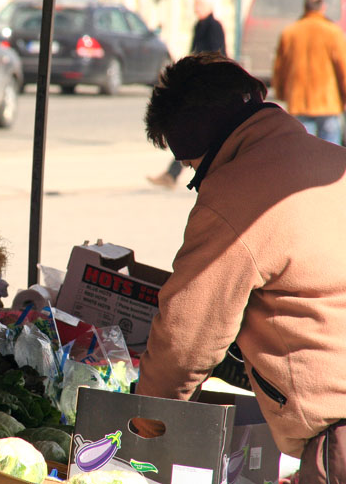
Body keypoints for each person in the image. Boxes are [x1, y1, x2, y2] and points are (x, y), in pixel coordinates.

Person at [134, 52, 346, 483]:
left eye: (193, 169)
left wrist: (144, 433)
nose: (197, 182)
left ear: (202, 143)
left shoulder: (235, 194)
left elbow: (185, 340)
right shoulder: (331, 159)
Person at [147, 0, 226, 189]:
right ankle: (173, 175)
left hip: (210, 88)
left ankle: (177, 175)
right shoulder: (199, 25)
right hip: (199, 85)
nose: (195, 9)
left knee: (198, 133)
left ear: (208, 7)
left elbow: (215, 57)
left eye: (199, 5)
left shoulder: (214, 27)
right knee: (195, 133)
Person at [273, 0, 346, 145]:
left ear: (305, 7)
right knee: (331, 150)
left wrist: (280, 91)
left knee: (304, 147)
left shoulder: (290, 32)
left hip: (298, 99)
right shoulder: (333, 32)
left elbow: (280, 67)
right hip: (327, 101)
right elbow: (343, 67)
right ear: (323, 7)